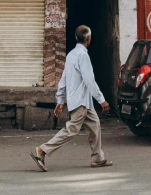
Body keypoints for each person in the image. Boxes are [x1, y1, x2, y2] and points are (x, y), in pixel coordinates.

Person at [30, 25, 113, 172]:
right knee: (71, 130)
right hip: (81, 101)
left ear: (76, 38)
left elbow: (63, 79)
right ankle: (42, 150)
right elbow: (89, 80)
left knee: (95, 126)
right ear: (88, 38)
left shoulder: (71, 55)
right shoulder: (83, 56)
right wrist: (102, 100)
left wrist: (60, 100)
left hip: (83, 102)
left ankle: (98, 158)